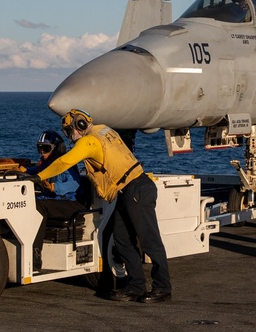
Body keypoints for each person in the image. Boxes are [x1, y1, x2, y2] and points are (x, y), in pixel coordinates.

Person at [38, 108, 172, 304]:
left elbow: (65, 161)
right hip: (127, 191)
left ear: (79, 125)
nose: (69, 136)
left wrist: (40, 176)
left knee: (149, 241)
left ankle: (163, 287)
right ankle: (136, 286)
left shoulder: (89, 141)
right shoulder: (104, 130)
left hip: (135, 190)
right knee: (122, 239)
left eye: (69, 131)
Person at [28, 129, 90, 272]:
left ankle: (35, 254)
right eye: (40, 148)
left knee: (39, 206)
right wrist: (21, 171)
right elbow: (34, 171)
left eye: (45, 148)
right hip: (55, 202)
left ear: (56, 149)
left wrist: (55, 187)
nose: (42, 152)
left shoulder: (65, 163)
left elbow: (75, 184)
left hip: (72, 204)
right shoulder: (45, 164)